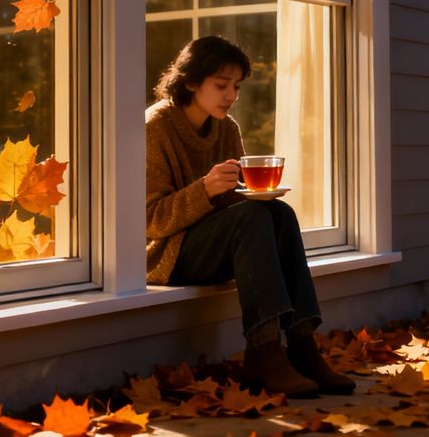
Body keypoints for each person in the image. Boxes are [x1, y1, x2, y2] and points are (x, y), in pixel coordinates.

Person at [145, 35, 355, 398]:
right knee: (253, 217)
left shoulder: (227, 128)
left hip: (216, 247)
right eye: (221, 85)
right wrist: (204, 189)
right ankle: (264, 350)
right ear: (191, 81)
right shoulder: (155, 127)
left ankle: (303, 346)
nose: (231, 95)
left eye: (237, 86)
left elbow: (235, 206)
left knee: (279, 212)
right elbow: (150, 221)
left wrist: (251, 193)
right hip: (167, 256)